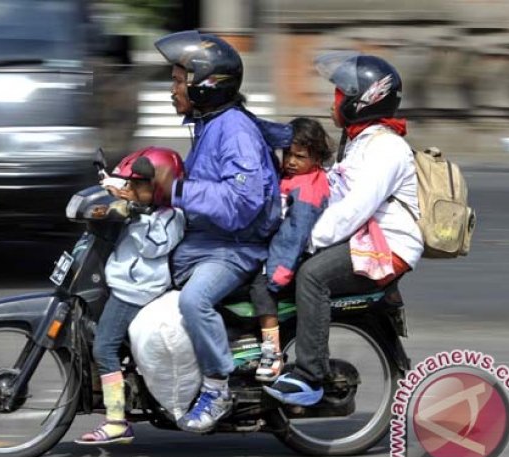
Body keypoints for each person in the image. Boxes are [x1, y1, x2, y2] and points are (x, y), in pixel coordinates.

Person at [264, 52, 423, 406]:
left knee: (312, 275)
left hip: (389, 246)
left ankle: (310, 375)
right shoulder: (359, 141)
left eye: (339, 95)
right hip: (364, 238)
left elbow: (354, 208)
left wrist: (307, 242)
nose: (333, 102)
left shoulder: (386, 148)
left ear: (363, 100)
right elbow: (331, 194)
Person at [152, 30, 281, 433]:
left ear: (205, 86)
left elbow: (241, 203)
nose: (172, 89)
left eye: (178, 81)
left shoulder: (235, 130)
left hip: (236, 247)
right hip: (208, 241)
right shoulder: (209, 124)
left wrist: (175, 190)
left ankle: (216, 386)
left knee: (194, 301)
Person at [76, 147, 186, 445]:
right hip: (122, 283)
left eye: (139, 185)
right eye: (130, 184)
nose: (131, 190)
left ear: (161, 186)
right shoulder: (145, 205)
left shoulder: (170, 217)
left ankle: (115, 420)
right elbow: (120, 185)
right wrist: (110, 184)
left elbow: (154, 247)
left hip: (135, 291)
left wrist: (135, 212)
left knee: (104, 349)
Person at [249, 117, 332, 382]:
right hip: (278, 249)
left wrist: (280, 269)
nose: (291, 161)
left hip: (291, 258)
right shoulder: (291, 177)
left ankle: (272, 352)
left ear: (317, 158)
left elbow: (295, 233)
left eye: (300, 156)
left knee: (259, 288)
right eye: (288, 154)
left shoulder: (308, 187)